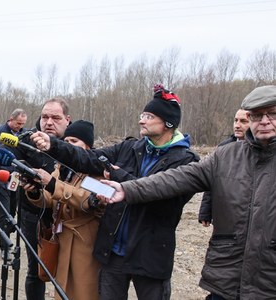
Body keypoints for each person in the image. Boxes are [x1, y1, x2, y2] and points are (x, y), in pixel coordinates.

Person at [98, 85, 276, 300]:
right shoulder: (226, 156)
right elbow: (177, 178)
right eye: (257, 115)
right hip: (227, 281)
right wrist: (127, 188)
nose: (264, 120)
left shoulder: (183, 153)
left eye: (272, 114)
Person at [31, 85, 199, 300]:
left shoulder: (186, 160)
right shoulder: (131, 148)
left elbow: (166, 201)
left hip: (150, 255)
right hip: (114, 252)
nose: (141, 120)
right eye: (142, 115)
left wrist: (122, 180)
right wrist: (53, 145)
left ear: (168, 123)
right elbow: (88, 158)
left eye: (148, 116)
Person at [22, 120, 102, 300]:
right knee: (61, 289)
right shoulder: (63, 168)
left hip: (84, 242)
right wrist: (35, 191)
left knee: (83, 291)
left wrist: (51, 183)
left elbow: (87, 200)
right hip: (62, 239)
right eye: (66, 141)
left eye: (74, 142)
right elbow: (52, 199)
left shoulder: (96, 170)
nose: (68, 146)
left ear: (87, 146)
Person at [13, 97, 71, 300]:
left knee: (67, 271)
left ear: (67, 120)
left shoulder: (74, 144)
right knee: (35, 269)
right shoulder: (28, 140)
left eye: (55, 117)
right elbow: (6, 155)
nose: (49, 122)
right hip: (32, 214)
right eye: (45, 117)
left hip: (67, 217)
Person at [0, 108, 28, 258]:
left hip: (16, 176)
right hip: (0, 175)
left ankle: (9, 233)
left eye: (22, 124)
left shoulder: (25, 133)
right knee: (3, 210)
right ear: (11, 119)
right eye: (18, 123)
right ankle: (4, 246)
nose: (20, 126)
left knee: (12, 210)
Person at [198, 108, 250, 226]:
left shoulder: (263, 149)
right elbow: (213, 179)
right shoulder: (224, 148)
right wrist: (206, 211)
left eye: (243, 121)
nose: (237, 125)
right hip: (225, 212)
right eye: (235, 120)